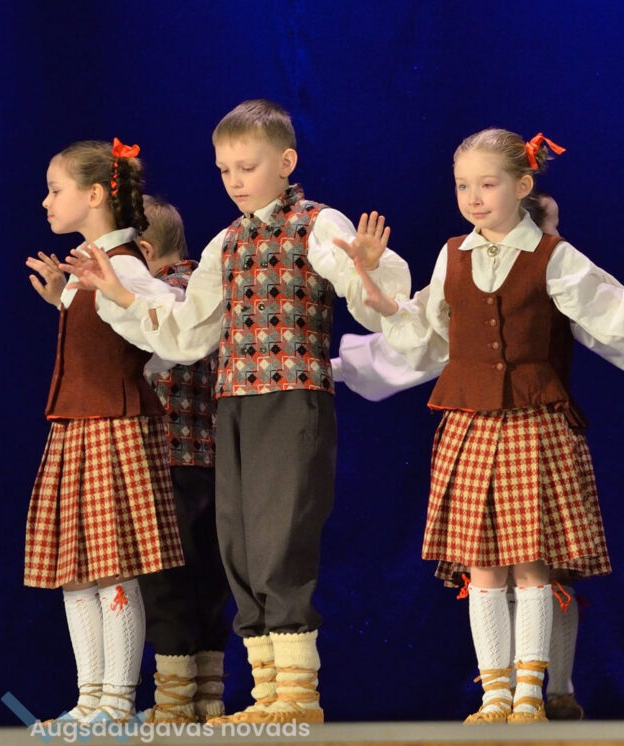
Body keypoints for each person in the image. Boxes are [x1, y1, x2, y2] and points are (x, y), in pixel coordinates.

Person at [64, 100, 407, 725]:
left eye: (247, 167)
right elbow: (188, 333)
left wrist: (370, 268)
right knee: (240, 544)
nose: (235, 181)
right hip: (234, 403)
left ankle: (297, 694)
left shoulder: (316, 223)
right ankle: (268, 692)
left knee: (281, 538)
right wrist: (118, 295)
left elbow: (372, 298)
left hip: (292, 397)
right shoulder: (227, 241)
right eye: (225, 170)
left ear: (286, 161)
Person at [345, 128, 624, 723]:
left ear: (522, 185)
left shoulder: (552, 256)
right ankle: (494, 693)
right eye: (463, 185)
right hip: (469, 422)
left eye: (487, 184)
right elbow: (425, 332)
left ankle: (532, 691)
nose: (473, 197)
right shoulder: (452, 254)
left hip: (534, 422)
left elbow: (613, 317)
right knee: (482, 564)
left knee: (533, 559)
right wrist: (377, 288)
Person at [26, 139, 184, 723]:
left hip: (114, 427)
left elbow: (167, 323)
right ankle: (89, 696)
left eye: (56, 189)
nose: (47, 202)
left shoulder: (123, 265)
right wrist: (62, 301)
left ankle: (117, 700)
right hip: (78, 426)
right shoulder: (88, 268)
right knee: (76, 571)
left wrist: (112, 291)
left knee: (112, 566)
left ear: (94, 195)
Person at [132, 195, 233, 723]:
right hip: (217, 462)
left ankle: (173, 702)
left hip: (165, 457)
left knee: (166, 580)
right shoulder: (211, 290)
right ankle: (208, 695)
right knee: (210, 579)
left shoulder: (152, 299)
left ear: (144, 252)